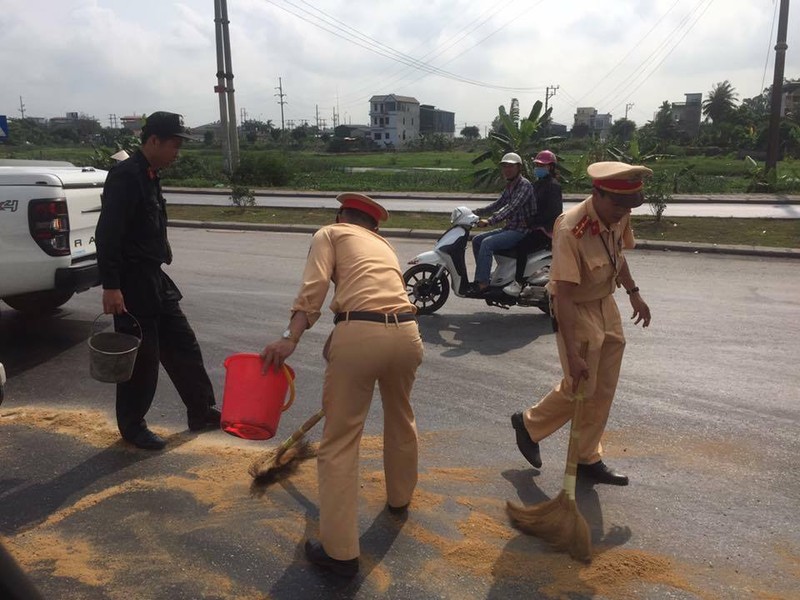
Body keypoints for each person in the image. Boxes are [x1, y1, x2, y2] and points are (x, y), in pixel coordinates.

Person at [260, 193, 424, 578]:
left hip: (360, 336)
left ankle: (339, 553)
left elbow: (313, 290)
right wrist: (343, 335)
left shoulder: (330, 233)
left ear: (341, 216)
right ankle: (400, 498)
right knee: (401, 417)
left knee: (339, 442)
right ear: (374, 226)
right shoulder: (383, 245)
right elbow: (376, 298)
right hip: (407, 334)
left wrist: (290, 338)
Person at [511, 161, 653, 486]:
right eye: (616, 203)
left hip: (606, 302)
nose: (622, 212)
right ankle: (529, 425)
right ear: (597, 193)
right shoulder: (570, 229)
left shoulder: (619, 214)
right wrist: (573, 353)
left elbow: (618, 254)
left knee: (603, 388)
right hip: (575, 306)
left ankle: (587, 457)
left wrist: (634, 293)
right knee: (580, 386)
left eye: (627, 205)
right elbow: (563, 296)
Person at [95, 111, 221, 450]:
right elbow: (107, 234)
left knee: (183, 343)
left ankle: (201, 411)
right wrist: (111, 285)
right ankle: (133, 427)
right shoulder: (126, 176)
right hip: (131, 282)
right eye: (175, 144)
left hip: (154, 277)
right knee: (143, 358)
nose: (177, 152)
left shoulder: (150, 173)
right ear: (154, 141)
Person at [469, 152, 536, 294]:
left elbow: (511, 208)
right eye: (505, 166)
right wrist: (475, 212)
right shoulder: (510, 186)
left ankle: (483, 284)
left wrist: (489, 221)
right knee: (477, 240)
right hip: (510, 228)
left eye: (511, 166)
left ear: (519, 168)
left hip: (520, 231)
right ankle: (484, 276)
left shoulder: (524, 186)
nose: (507, 169)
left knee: (487, 243)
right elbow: (498, 204)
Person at [503, 149, 564, 296]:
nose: (538, 168)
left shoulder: (553, 186)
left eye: (542, 166)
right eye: (537, 165)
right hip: (535, 226)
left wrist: (530, 222)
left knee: (521, 246)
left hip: (545, 230)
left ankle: (518, 282)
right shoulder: (538, 184)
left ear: (551, 167)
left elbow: (552, 213)